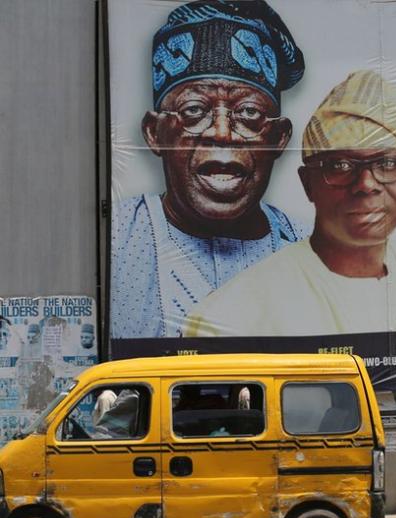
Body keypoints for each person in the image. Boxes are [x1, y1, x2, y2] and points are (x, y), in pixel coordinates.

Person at [111, 0, 307, 338]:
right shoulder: (114, 238)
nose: (221, 132)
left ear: (278, 137)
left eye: (248, 114)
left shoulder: (310, 250)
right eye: (194, 110)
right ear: (154, 133)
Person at [185, 70, 396, 337]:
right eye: (341, 165)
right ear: (307, 182)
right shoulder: (234, 314)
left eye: (387, 163)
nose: (366, 184)